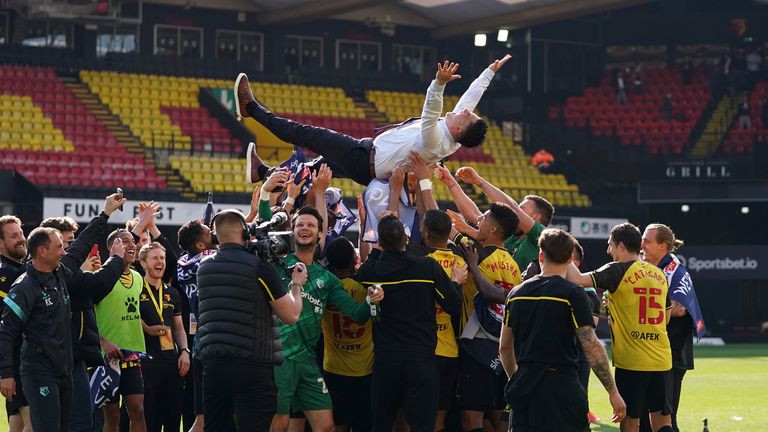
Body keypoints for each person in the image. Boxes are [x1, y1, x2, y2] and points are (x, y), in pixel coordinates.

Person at [237, 56, 513, 186]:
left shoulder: (436, 139)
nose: (464, 110)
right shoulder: (452, 136)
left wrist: (439, 84)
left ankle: (251, 109)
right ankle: (261, 174)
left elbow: (431, 110)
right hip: (367, 162)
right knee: (310, 172)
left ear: (460, 128)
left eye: (467, 116)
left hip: (364, 157)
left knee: (307, 134)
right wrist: (489, 71)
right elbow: (469, 99)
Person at [0, 194, 128, 432]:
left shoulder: (59, 273)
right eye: (59, 247)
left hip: (65, 368)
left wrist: (105, 214)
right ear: (42, 252)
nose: (64, 252)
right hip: (39, 371)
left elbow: (81, 246)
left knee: (69, 426)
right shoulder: (24, 286)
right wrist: (6, 373)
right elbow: (6, 331)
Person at [501, 228, 625, 430]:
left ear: (540, 255)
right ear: (570, 259)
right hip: (562, 386)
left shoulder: (516, 293)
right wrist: (613, 392)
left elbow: (505, 347)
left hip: (525, 385)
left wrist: (516, 378)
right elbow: (591, 345)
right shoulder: (574, 293)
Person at [271, 206, 382, 432]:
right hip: (280, 359)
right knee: (279, 424)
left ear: (320, 234)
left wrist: (373, 299)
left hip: (308, 362)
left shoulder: (328, 280)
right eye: (300, 224)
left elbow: (358, 315)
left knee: (326, 427)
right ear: (292, 231)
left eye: (311, 225)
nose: (305, 228)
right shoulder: (277, 266)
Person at [197, 209, 305, 432]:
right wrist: (296, 284)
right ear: (245, 233)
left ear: (216, 237)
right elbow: (291, 315)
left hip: (214, 364)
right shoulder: (259, 268)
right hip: (253, 364)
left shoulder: (203, 268)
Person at [356, 215, 464, 432]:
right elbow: (453, 303)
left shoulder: (373, 272)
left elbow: (364, 272)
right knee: (422, 426)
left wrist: (378, 248)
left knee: (382, 424)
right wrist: (454, 282)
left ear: (381, 242)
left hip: (387, 360)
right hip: (421, 359)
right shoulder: (427, 267)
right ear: (406, 238)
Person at [566, 223, 674, 432]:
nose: (609, 251)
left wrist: (564, 253)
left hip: (632, 361)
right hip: (662, 359)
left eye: (610, 246)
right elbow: (666, 318)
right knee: (662, 421)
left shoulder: (617, 270)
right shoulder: (658, 274)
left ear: (621, 246)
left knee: (630, 421)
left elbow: (577, 279)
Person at [640, 224, 706, 432]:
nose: (641, 245)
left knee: (666, 422)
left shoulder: (676, 271)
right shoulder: (648, 269)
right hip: (651, 354)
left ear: (664, 246)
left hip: (671, 357)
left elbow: (679, 309)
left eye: (647, 241)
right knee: (645, 421)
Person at [437, 165, 554, 271]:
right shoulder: (510, 235)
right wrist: (450, 182)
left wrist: (479, 182)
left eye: (522, 209)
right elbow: (474, 215)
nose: (516, 212)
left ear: (536, 218)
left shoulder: (542, 236)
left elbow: (512, 208)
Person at [96, 228, 149, 432]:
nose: (132, 245)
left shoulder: (138, 278)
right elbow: (88, 316)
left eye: (132, 242)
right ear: (112, 248)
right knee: (112, 416)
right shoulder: (101, 277)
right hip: (107, 357)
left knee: (138, 410)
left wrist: (150, 329)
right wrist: (102, 341)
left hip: (132, 355)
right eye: (124, 242)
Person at [321, 237, 374, 432]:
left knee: (338, 423)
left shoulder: (324, 288)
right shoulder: (366, 288)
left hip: (333, 369)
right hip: (365, 370)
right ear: (355, 260)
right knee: (364, 425)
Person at [138, 242, 190, 431]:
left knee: (172, 417)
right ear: (143, 263)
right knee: (148, 417)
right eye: (155, 258)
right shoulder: (136, 289)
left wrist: (184, 351)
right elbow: (129, 318)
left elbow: (178, 328)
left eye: (162, 258)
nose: (160, 262)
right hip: (145, 361)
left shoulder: (172, 293)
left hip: (170, 362)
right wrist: (147, 328)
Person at [176, 219, 217, 432]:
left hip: (200, 340)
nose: (215, 233)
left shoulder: (183, 262)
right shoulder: (211, 260)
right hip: (218, 339)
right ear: (201, 246)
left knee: (201, 420)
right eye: (210, 232)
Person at [0, 215, 30, 432]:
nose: (21, 239)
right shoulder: (4, 273)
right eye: (14, 236)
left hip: (22, 359)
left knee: (17, 425)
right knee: (36, 423)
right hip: (18, 360)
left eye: (21, 233)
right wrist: (6, 371)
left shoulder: (23, 269)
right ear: (1, 244)